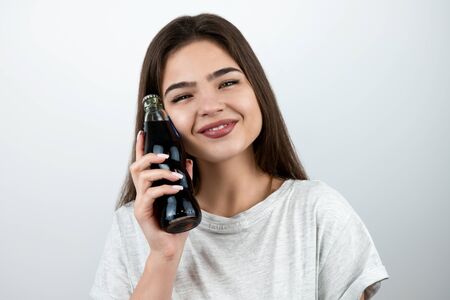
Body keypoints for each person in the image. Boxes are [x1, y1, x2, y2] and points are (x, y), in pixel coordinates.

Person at [89, 13, 389, 300]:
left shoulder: (319, 213)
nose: (211, 106)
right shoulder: (132, 226)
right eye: (183, 96)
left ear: (257, 88)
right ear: (158, 122)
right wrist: (163, 255)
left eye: (228, 82)